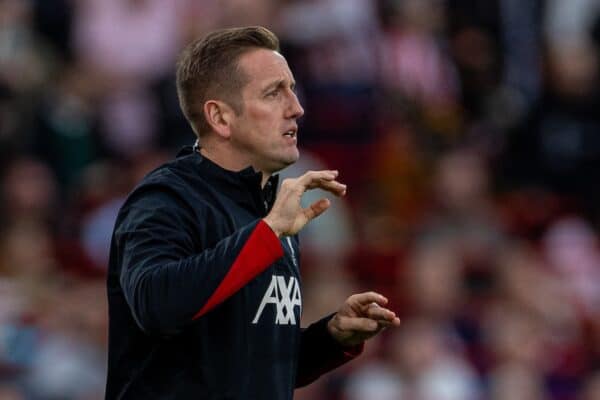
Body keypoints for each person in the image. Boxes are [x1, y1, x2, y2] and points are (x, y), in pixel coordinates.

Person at [105, 26, 400, 399]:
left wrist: (331, 337)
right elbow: (157, 306)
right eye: (274, 92)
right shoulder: (165, 199)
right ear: (221, 118)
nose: (296, 107)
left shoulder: (266, 213)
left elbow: (250, 369)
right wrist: (267, 233)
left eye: (291, 89)